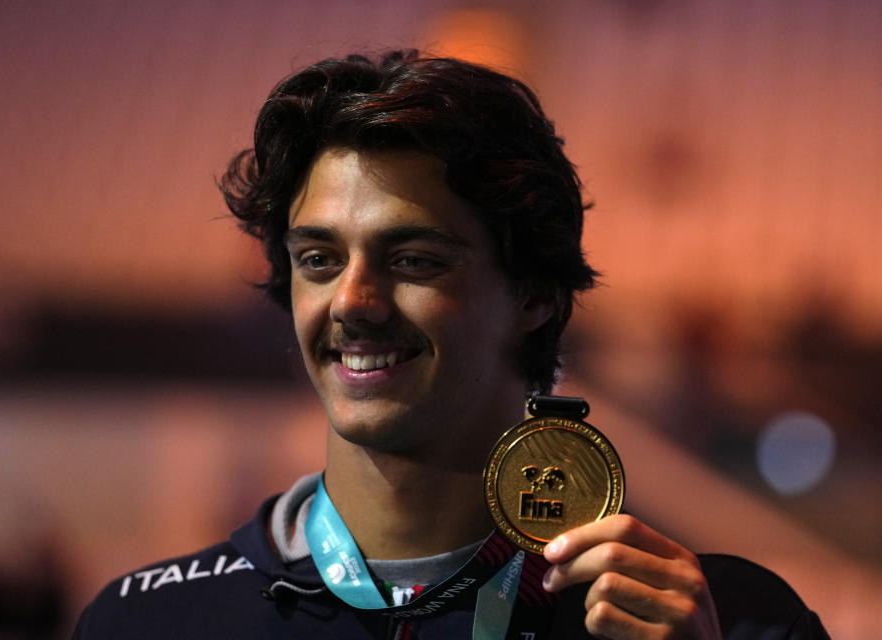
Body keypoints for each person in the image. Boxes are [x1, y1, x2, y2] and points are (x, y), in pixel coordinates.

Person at [73, 50, 829, 639]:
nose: (354, 302)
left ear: (532, 293)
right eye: (319, 259)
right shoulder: (144, 625)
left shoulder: (728, 620)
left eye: (415, 261)